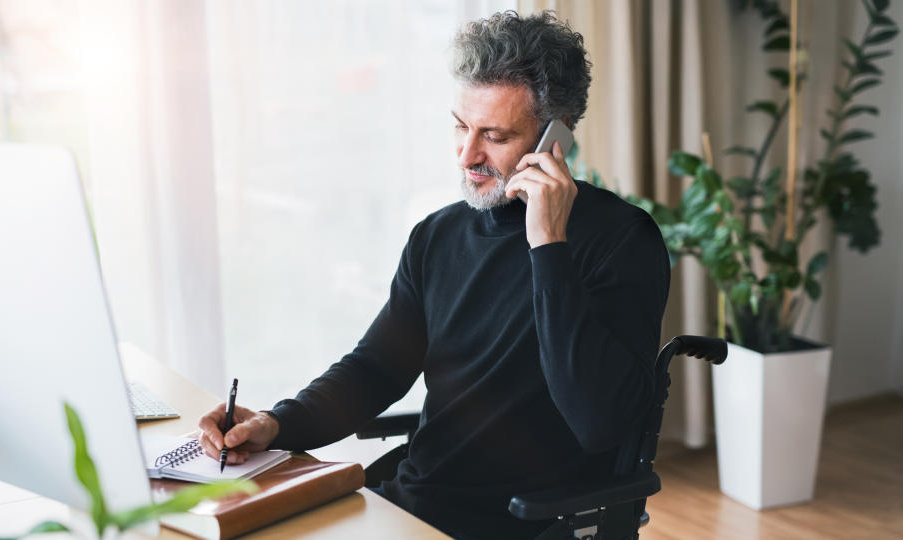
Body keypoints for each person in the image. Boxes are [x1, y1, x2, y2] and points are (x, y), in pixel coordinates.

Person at [198, 10, 669, 540]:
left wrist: (548, 246)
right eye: (461, 125)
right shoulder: (437, 236)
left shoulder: (622, 240)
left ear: (554, 137)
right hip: (413, 503)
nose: (468, 153)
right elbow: (375, 368)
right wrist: (278, 424)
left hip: (526, 522)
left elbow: (600, 423)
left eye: (494, 135)